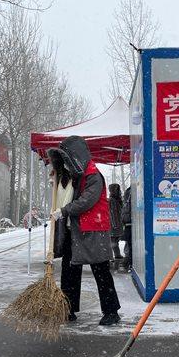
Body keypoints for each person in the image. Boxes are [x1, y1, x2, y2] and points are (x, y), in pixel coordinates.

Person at [48, 136, 121, 326]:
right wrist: (58, 177)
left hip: (93, 232)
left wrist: (64, 211)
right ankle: (68, 309)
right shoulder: (77, 176)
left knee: (101, 272)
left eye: (68, 159)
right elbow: (66, 191)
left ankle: (111, 312)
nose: (67, 164)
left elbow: (87, 201)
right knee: (69, 272)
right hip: (76, 233)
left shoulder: (93, 176)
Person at [108, 183, 124, 263]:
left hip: (116, 224)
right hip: (114, 224)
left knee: (115, 241)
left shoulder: (116, 200)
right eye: (118, 189)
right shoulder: (112, 200)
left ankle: (116, 254)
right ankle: (112, 255)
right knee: (113, 241)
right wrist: (115, 225)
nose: (119, 191)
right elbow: (112, 213)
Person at [120, 185, 132, 272]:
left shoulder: (129, 191)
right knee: (129, 244)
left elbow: (125, 209)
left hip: (129, 222)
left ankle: (128, 261)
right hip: (129, 222)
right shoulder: (130, 191)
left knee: (129, 244)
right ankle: (128, 261)